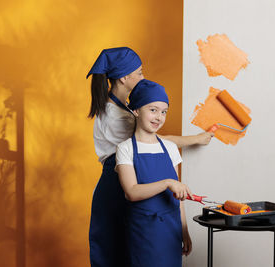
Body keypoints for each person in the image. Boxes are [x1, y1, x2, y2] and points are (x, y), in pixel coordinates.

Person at [87, 47, 213, 267]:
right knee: (115, 253)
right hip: (117, 187)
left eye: (163, 111)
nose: (142, 77)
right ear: (125, 77)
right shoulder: (116, 117)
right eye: (139, 72)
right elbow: (155, 141)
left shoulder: (119, 108)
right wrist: (197, 139)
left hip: (136, 188)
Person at [116, 79, 192, 267]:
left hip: (171, 232)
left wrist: (184, 231)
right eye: (153, 110)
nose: (159, 117)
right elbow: (131, 192)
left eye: (164, 111)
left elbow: (178, 197)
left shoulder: (171, 148)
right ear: (135, 110)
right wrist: (167, 182)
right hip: (143, 232)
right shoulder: (125, 149)